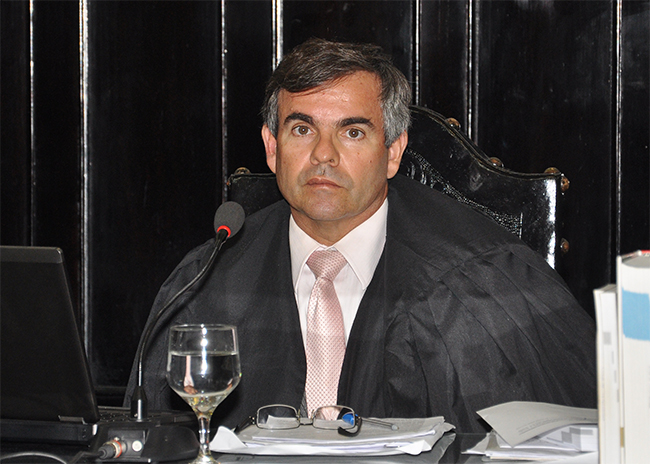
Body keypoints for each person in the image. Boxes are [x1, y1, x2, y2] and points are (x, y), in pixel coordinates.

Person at [124, 38, 596, 433]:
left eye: (352, 132)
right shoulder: (207, 281)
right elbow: (154, 440)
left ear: (393, 152)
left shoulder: (479, 279)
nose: (323, 155)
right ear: (272, 147)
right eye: (302, 129)